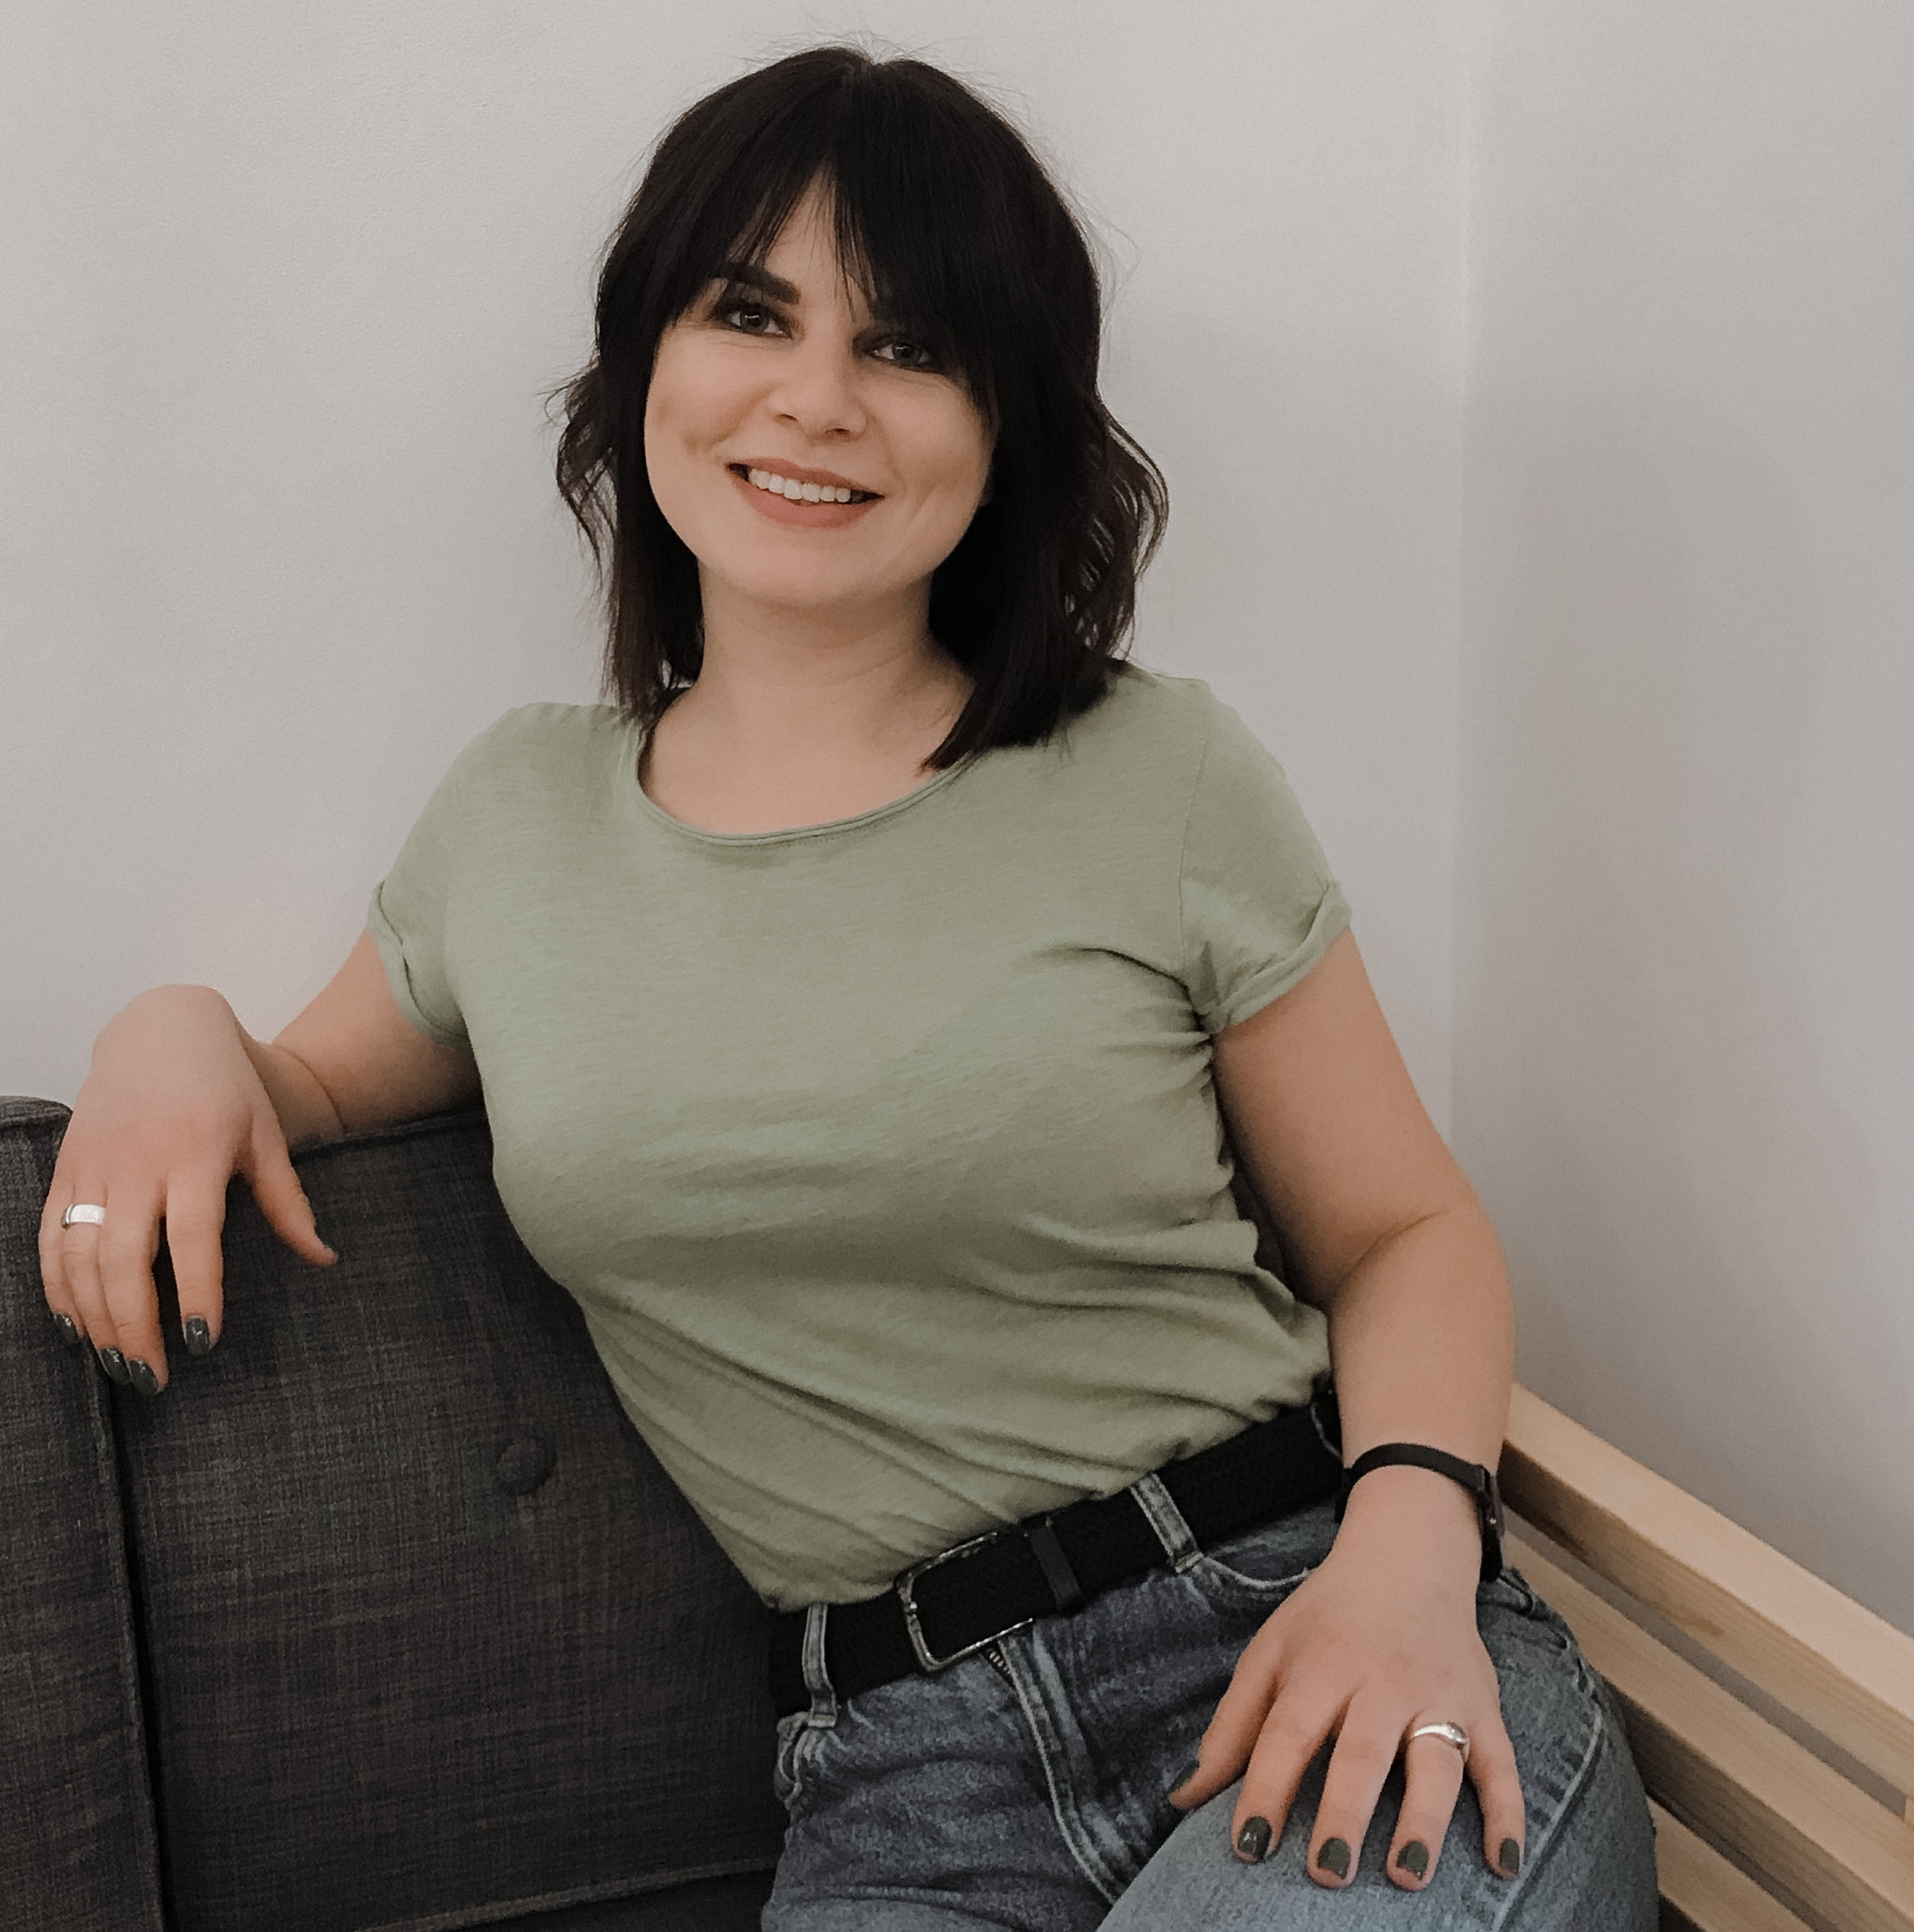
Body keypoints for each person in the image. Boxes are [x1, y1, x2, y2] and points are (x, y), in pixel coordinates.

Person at [38, 44, 1656, 1930]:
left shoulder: (1158, 775)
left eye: (909, 344)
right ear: (647, 357)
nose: (816, 399)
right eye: (750, 312)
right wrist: (160, 1033)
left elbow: (1401, 1232)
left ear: (1003, 423)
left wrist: (1405, 1560)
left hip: (1288, 1620)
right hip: (902, 1771)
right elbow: (297, 1081)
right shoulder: (516, 820)